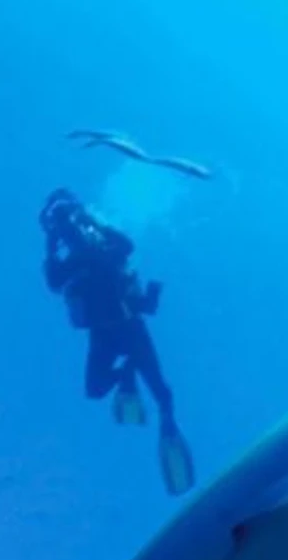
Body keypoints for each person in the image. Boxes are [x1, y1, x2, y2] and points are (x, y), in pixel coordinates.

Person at [40, 189, 195, 496]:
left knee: (161, 392)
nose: (66, 227)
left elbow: (126, 246)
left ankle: (166, 423)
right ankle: (128, 374)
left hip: (129, 326)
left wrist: (90, 224)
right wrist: (51, 244)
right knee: (95, 389)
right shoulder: (73, 260)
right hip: (103, 334)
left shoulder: (101, 247)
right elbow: (54, 283)